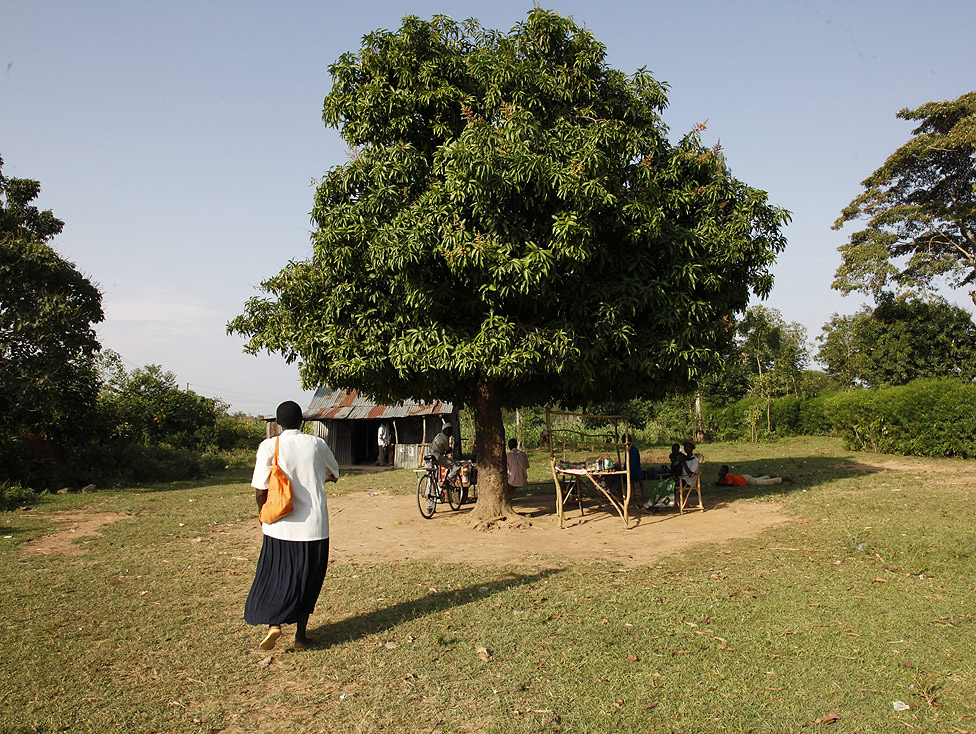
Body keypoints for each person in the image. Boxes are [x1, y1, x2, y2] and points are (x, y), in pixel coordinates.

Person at [244, 401, 340, 651]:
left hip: (279, 527)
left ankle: (274, 624)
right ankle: (300, 637)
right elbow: (334, 472)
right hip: (314, 527)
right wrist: (319, 478)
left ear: (277, 423)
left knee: (275, 576)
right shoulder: (317, 444)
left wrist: (263, 515)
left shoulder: (268, 445)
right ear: (303, 422)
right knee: (308, 580)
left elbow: (259, 490)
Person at [716, 465, 793, 486]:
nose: (721, 472)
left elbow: (729, 485)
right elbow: (717, 482)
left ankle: (782, 479)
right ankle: (769, 476)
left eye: (723, 471)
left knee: (762, 483)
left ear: (726, 471)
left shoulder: (728, 475)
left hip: (746, 480)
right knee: (758, 480)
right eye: (721, 470)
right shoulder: (722, 476)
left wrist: (720, 483)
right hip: (745, 477)